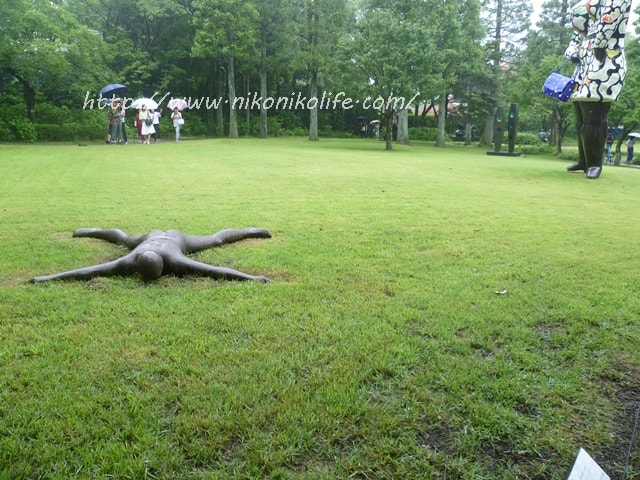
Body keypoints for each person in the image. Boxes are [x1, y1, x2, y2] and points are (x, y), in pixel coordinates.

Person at [31, 227, 272, 283]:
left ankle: (251, 231)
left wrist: (46, 278)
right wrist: (45, 279)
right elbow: (88, 271)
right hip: (150, 237)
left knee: (215, 240)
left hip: (175, 239)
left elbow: (216, 271)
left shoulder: (175, 260)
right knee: (125, 240)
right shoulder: (131, 260)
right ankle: (92, 230)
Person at [565, 0, 632, 179]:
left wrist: (599, 43)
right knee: (580, 114)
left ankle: (594, 163)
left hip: (605, 58)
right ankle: (584, 160)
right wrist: (572, 49)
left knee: (594, 114)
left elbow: (609, 18)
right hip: (584, 61)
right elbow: (578, 31)